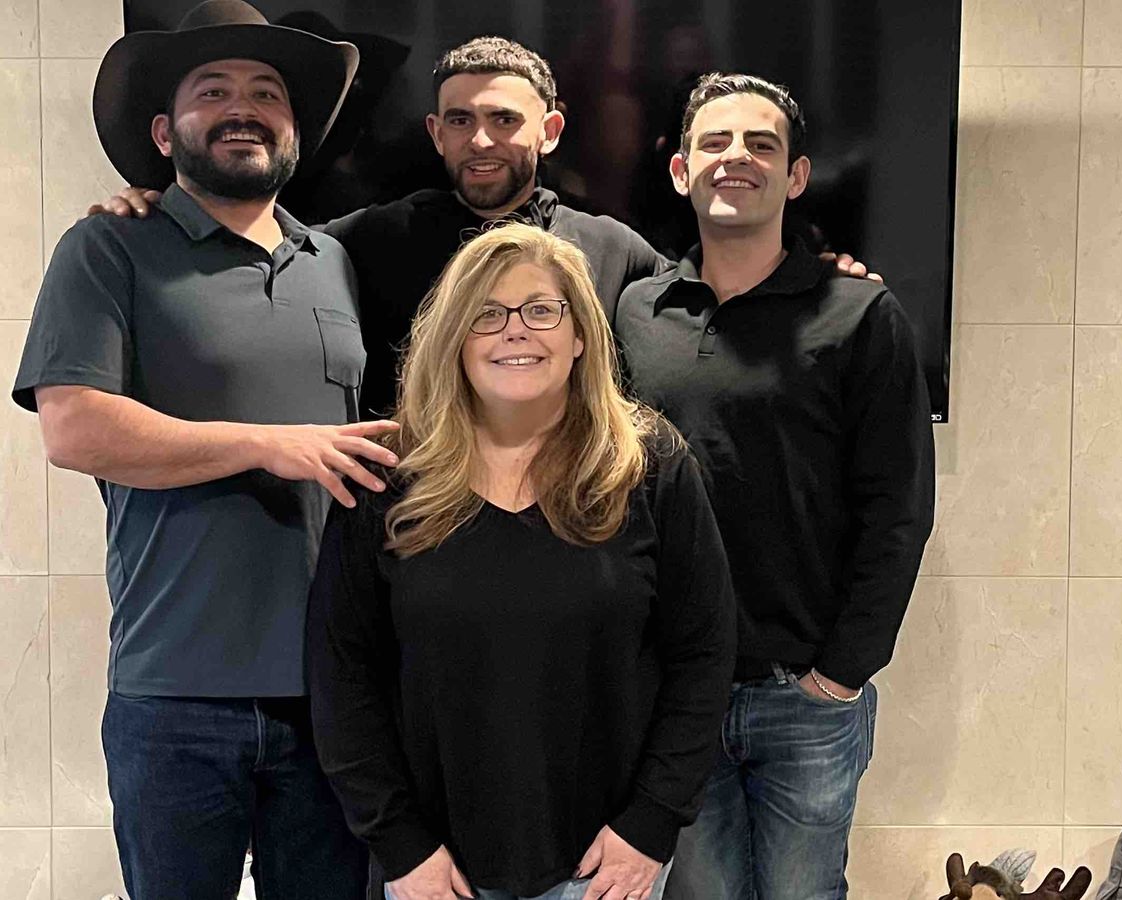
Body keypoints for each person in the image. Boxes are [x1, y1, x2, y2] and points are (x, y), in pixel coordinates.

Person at [10, 1, 398, 895]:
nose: (243, 108)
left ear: (295, 130)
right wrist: (266, 444)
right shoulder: (109, 245)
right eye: (213, 90)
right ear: (163, 132)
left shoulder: (333, 263)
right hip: (175, 697)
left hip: (333, 700)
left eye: (267, 93)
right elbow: (73, 428)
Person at [90, 35, 875, 420]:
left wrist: (819, 277)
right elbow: (260, 243)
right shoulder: (361, 241)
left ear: (550, 130)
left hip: (571, 536)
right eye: (461, 121)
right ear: (435, 134)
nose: (482, 141)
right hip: (408, 537)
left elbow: (712, 305)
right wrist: (161, 202)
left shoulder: (616, 250)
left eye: (504, 120)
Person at [306, 223, 736, 900]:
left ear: (581, 335)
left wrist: (650, 825)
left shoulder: (651, 468)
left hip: (604, 870)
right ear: (455, 338)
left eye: (541, 310)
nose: (515, 331)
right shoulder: (386, 480)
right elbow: (342, 673)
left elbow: (703, 655)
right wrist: (400, 846)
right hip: (435, 874)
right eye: (487, 314)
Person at [615, 73, 935, 900]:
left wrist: (841, 674)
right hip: (670, 690)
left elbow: (898, 508)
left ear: (795, 177)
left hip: (804, 694)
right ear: (681, 171)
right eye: (715, 142)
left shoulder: (859, 313)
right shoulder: (634, 314)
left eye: (761, 145)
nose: (737, 158)